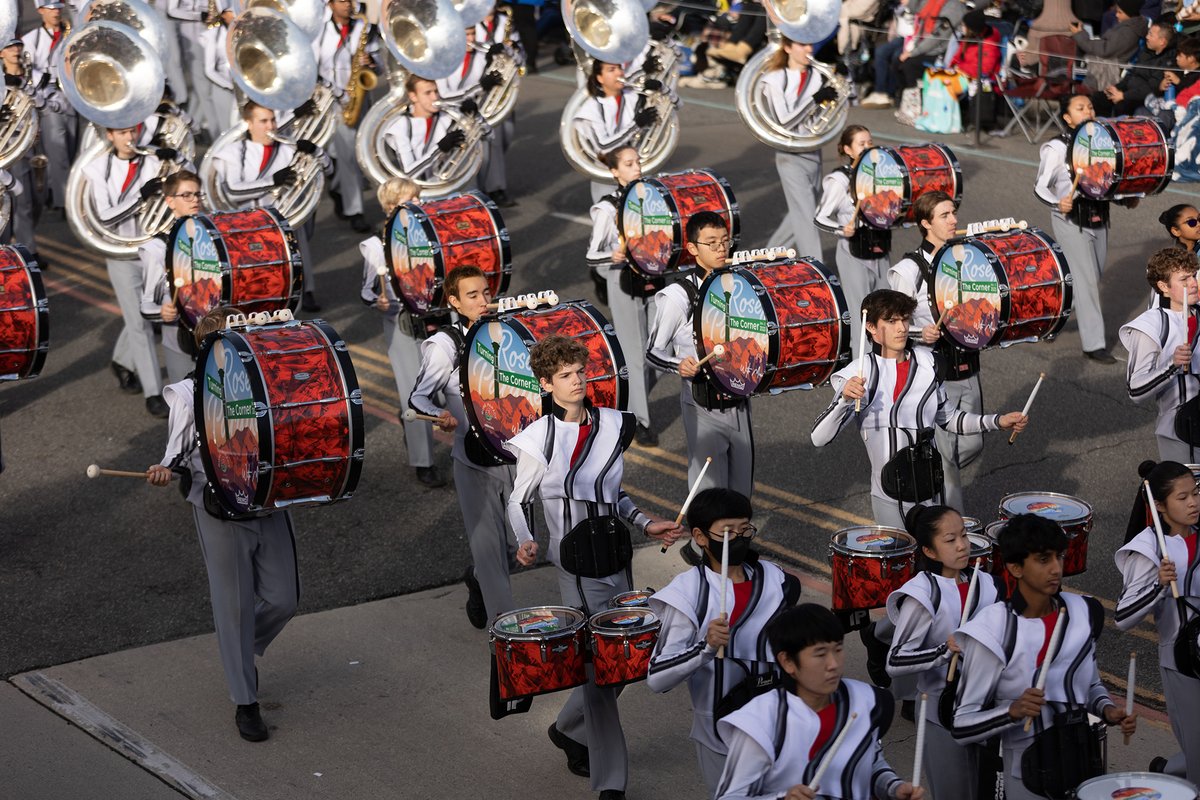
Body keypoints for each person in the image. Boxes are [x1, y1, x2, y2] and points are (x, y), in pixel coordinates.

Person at [506, 334, 683, 800]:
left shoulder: (611, 424)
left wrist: (647, 525)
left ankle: (567, 727)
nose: (576, 380)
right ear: (545, 383)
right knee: (602, 674)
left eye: (580, 371)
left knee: (622, 664)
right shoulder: (537, 437)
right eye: (564, 375)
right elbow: (516, 500)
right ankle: (612, 784)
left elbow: (614, 496)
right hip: (576, 564)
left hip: (617, 554)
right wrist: (526, 539)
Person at [146, 305, 300, 743]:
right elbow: (174, 453)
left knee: (285, 599)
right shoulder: (187, 394)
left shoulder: (268, 384)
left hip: (267, 502)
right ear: (209, 348)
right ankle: (245, 701)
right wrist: (163, 469)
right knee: (231, 607)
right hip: (218, 507)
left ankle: (240, 647)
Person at [952, 513, 1137, 800]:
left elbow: (1089, 685)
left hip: (1081, 761)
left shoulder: (1082, 613)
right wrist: (1011, 711)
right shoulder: (993, 629)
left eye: (1059, 557)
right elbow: (962, 726)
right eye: (1043, 559)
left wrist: (1108, 710)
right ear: (1015, 568)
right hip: (1027, 772)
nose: (1056, 568)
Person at [810, 289, 1026, 529]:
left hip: (932, 489)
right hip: (889, 495)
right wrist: (845, 401)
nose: (902, 328)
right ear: (871, 327)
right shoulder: (859, 373)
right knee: (903, 563)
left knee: (937, 562)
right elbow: (819, 438)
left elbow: (951, 419)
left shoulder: (929, 362)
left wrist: (998, 421)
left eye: (904, 319)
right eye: (891, 322)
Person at [646, 487, 802, 795]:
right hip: (720, 731)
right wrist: (703, 647)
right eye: (728, 532)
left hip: (779, 724)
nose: (740, 538)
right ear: (701, 537)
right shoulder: (687, 592)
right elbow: (657, 677)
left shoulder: (776, 579)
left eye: (745, 529)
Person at [714, 603, 925, 800]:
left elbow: (871, 763)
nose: (833, 664)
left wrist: (893, 787)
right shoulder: (761, 722)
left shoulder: (864, 700)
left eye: (838, 649)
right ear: (787, 661)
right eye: (820, 654)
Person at [409, 266, 516, 628]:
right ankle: (509, 646)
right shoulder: (445, 344)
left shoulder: (507, 332)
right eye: (472, 295)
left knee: (518, 548)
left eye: (486, 292)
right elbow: (418, 398)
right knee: (491, 555)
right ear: (453, 301)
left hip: (517, 455)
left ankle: (477, 580)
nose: (484, 301)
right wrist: (439, 413)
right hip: (474, 461)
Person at [885, 504, 1003, 800]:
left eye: (964, 535)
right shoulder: (923, 593)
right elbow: (895, 661)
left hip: (988, 708)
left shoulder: (987, 584)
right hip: (942, 713)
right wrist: (942, 651)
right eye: (950, 540)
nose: (963, 545)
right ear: (930, 551)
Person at [82, 124, 190, 417]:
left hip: (155, 250)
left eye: (133, 131)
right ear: (109, 136)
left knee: (150, 316)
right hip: (121, 255)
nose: (130, 138)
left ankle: (121, 361)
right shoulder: (96, 168)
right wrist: (141, 196)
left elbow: (191, 185)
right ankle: (154, 393)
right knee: (139, 323)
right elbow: (105, 217)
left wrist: (178, 158)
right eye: (122, 133)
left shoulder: (155, 160)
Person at [887, 191, 983, 513]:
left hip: (968, 365)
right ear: (926, 223)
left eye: (953, 213)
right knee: (947, 460)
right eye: (945, 215)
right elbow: (891, 323)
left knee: (973, 442)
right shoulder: (908, 270)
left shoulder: (967, 258)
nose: (954, 220)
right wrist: (918, 332)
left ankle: (928, 476)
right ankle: (951, 529)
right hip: (934, 372)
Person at [647, 211, 754, 501]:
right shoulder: (679, 295)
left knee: (742, 489)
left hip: (739, 396)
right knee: (710, 492)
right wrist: (677, 364)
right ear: (693, 249)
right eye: (712, 243)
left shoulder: (739, 283)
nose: (722, 249)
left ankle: (738, 545)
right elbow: (653, 351)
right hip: (700, 400)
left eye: (725, 241)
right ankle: (703, 546)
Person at [1035, 93, 1136, 364]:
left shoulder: (1103, 143)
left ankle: (1048, 319)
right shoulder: (1056, 148)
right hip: (1070, 220)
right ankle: (1094, 344)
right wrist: (1059, 202)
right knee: (1087, 282)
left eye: (1090, 107)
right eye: (1080, 108)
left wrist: (1127, 199)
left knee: (1088, 278)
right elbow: (1040, 186)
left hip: (1100, 217)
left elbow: (1108, 183)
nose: (1088, 111)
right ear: (1067, 117)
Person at [1116, 460, 1200, 785]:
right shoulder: (1149, 548)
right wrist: (1159, 586)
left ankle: (1168, 770)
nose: (1193, 502)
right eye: (1183, 498)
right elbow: (1123, 617)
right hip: (1183, 660)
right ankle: (1173, 775)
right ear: (1160, 506)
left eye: (1195, 493)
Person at [360, 177, 445, 488]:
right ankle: (424, 462)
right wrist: (378, 301)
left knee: (443, 389)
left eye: (419, 198)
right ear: (391, 206)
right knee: (415, 394)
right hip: (402, 324)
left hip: (436, 320)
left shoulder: (429, 234)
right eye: (412, 199)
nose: (419, 204)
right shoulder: (376, 247)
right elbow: (367, 291)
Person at [208, 100, 330, 312]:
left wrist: (317, 153)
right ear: (248, 123)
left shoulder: (288, 148)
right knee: (257, 290)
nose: (271, 126)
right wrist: (272, 182)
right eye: (263, 121)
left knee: (289, 289)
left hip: (285, 226)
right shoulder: (234, 151)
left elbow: (328, 170)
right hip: (250, 230)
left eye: (272, 120)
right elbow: (232, 191)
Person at [588, 145, 658, 446]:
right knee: (635, 354)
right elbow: (592, 254)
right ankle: (640, 421)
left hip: (654, 279)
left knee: (660, 347)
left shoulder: (651, 195)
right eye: (629, 164)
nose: (637, 167)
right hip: (622, 280)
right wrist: (612, 254)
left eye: (638, 161)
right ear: (614, 172)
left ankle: (626, 399)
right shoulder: (607, 208)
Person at [815, 125, 890, 360]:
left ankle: (885, 366)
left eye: (870, 142)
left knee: (886, 311)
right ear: (848, 149)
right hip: (852, 252)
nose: (868, 147)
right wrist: (841, 229)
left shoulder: (880, 175)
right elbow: (819, 217)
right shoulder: (839, 180)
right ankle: (862, 372)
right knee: (863, 316)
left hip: (881, 248)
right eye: (861, 144)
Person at [1119, 248, 1200, 463]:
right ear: (1164, 287)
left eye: (1194, 275)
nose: (1193, 283)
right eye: (1184, 279)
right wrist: (1172, 365)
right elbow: (1135, 390)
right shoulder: (1151, 326)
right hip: (1180, 433)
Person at [760, 36, 832, 261]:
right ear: (788, 47)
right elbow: (784, 121)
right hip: (789, 154)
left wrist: (842, 89)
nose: (809, 48)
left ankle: (764, 260)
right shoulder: (774, 79)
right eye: (803, 44)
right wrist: (815, 100)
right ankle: (816, 269)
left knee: (801, 213)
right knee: (808, 214)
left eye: (809, 43)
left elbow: (826, 115)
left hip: (814, 151)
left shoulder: (818, 77)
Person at [311, 0, 379, 233]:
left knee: (357, 154)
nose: (349, 5)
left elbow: (377, 65)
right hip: (332, 100)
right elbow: (312, 70)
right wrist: (338, 92)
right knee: (349, 156)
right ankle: (355, 211)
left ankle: (339, 188)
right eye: (342, 1)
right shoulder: (319, 30)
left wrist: (371, 62)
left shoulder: (364, 28)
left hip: (360, 98)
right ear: (329, 4)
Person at [137, 169, 205, 387]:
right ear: (170, 201)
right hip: (180, 339)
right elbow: (146, 306)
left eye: (197, 194)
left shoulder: (213, 237)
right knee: (187, 408)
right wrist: (162, 312)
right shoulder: (157, 248)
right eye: (186, 195)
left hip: (215, 333)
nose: (194, 200)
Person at [439, 24, 516, 208]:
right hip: (448, 123)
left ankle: (482, 203)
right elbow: (442, 95)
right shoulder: (442, 59)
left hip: (476, 119)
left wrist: (502, 54)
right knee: (455, 174)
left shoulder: (481, 55)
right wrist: (479, 87)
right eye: (466, 34)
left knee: (482, 164)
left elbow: (515, 65)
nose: (471, 39)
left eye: (473, 33)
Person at [571, 59, 659, 202]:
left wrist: (661, 89)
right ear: (600, 78)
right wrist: (636, 125)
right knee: (608, 220)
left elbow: (675, 104)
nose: (619, 73)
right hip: (606, 175)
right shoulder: (590, 109)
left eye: (619, 68)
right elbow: (603, 146)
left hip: (635, 171)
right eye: (611, 70)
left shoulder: (633, 96)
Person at [21, 0, 74, 211]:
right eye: (51, 8)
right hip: (49, 101)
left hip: (71, 97)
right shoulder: (30, 39)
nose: (56, 12)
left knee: (71, 148)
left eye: (58, 8)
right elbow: (25, 72)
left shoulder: (71, 35)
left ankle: (55, 191)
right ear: (40, 10)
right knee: (58, 151)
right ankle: (63, 202)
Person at [382, 74, 460, 193]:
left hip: (451, 189)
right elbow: (409, 173)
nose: (435, 97)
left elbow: (488, 135)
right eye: (428, 93)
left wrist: (475, 116)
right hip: (419, 195)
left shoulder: (448, 117)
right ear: (413, 96)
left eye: (436, 91)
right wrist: (439, 149)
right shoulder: (400, 126)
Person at [167, 0, 227, 142]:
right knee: (204, 92)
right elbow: (172, 10)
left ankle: (193, 129)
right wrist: (199, 15)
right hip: (192, 41)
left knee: (203, 92)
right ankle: (216, 135)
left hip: (214, 37)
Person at [1094, 17, 1177, 116]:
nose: (1147, 37)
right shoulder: (1146, 52)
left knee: (1122, 106)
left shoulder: (1167, 62)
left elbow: (1151, 88)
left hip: (1143, 98)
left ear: (1162, 41)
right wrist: (1115, 88)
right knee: (1099, 97)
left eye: (1151, 34)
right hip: (1128, 91)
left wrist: (1124, 96)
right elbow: (1132, 73)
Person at [1071, 0, 1149, 93]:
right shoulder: (1129, 27)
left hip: (1109, 64)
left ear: (1130, 14)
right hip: (1109, 56)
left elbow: (1105, 50)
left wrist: (1080, 35)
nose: (1117, 15)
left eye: (1120, 12)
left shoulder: (1127, 32)